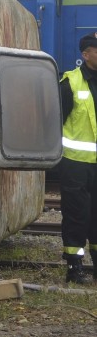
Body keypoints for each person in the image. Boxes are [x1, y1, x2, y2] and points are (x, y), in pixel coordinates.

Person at [57, 32, 97, 284]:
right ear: (86, 54)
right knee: (76, 215)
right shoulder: (70, 82)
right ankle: (75, 267)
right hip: (75, 164)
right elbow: (54, 122)